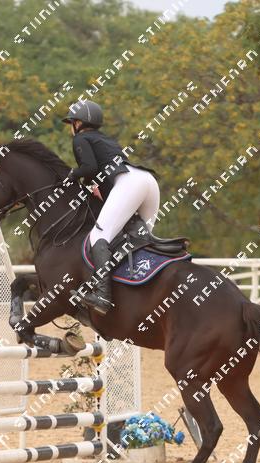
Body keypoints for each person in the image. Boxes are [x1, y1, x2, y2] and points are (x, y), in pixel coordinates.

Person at [62, 99, 160, 315]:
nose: (71, 127)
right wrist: (92, 185)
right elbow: (99, 172)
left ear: (78, 123)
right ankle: (142, 290)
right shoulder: (105, 139)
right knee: (141, 240)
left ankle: (103, 296)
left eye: (72, 122)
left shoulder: (80, 138)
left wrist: (71, 175)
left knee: (99, 236)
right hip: (147, 181)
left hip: (129, 183)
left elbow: (89, 168)